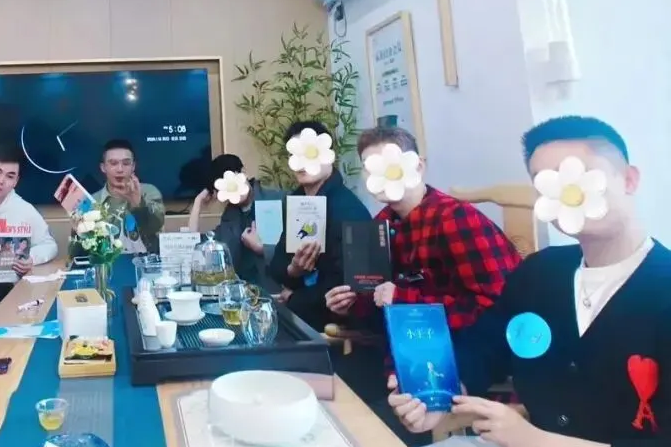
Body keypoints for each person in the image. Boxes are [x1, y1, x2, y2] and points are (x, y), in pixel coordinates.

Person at [391, 115, 671, 447]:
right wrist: (435, 395)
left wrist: (534, 441)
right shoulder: (541, 275)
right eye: (548, 183)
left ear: (629, 179)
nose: (567, 192)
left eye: (581, 174)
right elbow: (483, 350)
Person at [324, 124, 520, 332]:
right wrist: (350, 305)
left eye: (389, 164)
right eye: (370, 167)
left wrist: (404, 300)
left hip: (471, 341)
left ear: (418, 167)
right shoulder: (379, 225)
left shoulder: (456, 218)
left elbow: (496, 305)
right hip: (407, 340)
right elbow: (379, 303)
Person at [268, 119, 370, 325]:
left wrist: (294, 299)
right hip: (302, 317)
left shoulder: (347, 209)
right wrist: (293, 270)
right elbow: (277, 265)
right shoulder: (296, 201)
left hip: (335, 326)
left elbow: (351, 285)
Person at [188, 153, 276, 290]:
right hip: (241, 292)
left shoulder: (276, 200)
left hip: (275, 290)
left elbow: (293, 251)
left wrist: (261, 248)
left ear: (243, 173)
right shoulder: (229, 216)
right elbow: (195, 246)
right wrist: (197, 203)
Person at [0, 143, 59, 276]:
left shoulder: (24, 209)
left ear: (16, 181)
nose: (1, 181)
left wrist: (31, 258)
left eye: (10, 176)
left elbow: (49, 245)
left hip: (10, 284)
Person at [91, 138, 165, 255]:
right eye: (113, 163)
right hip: (107, 263)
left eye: (126, 163)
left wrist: (138, 204)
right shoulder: (92, 201)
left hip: (147, 261)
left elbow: (154, 227)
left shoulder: (149, 192)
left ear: (133, 166)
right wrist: (78, 232)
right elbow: (79, 253)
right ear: (103, 167)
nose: (120, 169)